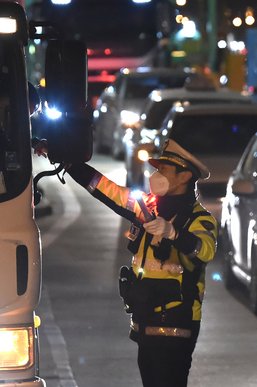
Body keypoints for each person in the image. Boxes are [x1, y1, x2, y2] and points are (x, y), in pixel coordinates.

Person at [48, 139, 217, 387]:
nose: (155, 175)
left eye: (163, 170)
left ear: (184, 177)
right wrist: (68, 162)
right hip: (145, 314)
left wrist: (173, 233)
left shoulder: (199, 218)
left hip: (177, 319)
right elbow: (104, 189)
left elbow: (205, 250)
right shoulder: (146, 206)